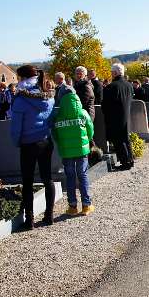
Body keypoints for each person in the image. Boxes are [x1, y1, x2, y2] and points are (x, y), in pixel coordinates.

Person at [10, 65, 56, 228]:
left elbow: (16, 126)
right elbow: (51, 119)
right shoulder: (48, 96)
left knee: (28, 181)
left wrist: (16, 142)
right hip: (45, 140)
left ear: (21, 78)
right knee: (47, 178)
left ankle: (29, 220)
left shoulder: (20, 99)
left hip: (28, 143)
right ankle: (49, 215)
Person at [52, 82, 95, 216]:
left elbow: (55, 134)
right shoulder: (82, 113)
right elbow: (90, 130)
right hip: (82, 150)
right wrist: (86, 141)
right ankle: (86, 206)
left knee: (70, 176)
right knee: (82, 175)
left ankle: (72, 207)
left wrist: (62, 144)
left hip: (66, 151)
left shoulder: (57, 115)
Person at [102, 63, 134, 170]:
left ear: (115, 73)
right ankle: (130, 160)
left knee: (118, 141)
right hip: (126, 115)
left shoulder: (111, 87)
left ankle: (125, 163)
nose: (111, 74)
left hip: (114, 117)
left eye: (112, 72)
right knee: (126, 138)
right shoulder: (129, 85)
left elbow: (105, 105)